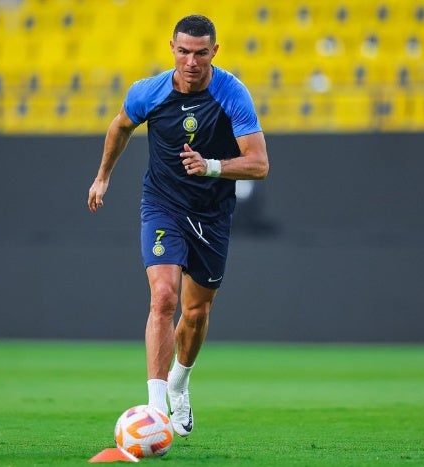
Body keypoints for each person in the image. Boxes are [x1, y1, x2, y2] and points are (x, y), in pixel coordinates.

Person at [87, 14, 269, 437]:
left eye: (200, 53)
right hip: (162, 205)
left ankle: (180, 383)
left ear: (214, 52)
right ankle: (154, 412)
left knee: (195, 311)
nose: (191, 61)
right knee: (164, 297)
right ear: (172, 47)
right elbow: (120, 127)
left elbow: (259, 164)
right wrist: (103, 176)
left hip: (211, 214)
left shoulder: (231, 93)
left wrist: (210, 166)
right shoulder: (147, 92)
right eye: (184, 51)